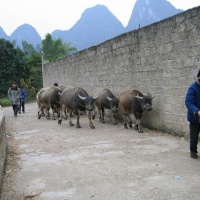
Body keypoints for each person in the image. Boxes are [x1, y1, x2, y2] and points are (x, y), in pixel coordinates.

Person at [185, 70, 200, 158]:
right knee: (194, 137)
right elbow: (188, 102)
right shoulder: (193, 88)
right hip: (195, 117)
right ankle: (193, 151)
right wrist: (197, 111)